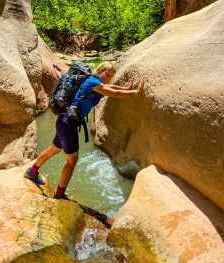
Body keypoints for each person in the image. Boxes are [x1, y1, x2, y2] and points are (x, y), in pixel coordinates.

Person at [24, 62, 144, 200]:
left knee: (54, 149)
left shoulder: (91, 80)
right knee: (72, 160)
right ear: (101, 70)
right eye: (108, 74)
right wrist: (134, 93)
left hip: (64, 121)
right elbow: (111, 92)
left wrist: (126, 88)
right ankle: (59, 194)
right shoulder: (93, 82)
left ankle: (32, 172)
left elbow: (110, 87)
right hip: (68, 124)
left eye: (111, 76)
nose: (109, 77)